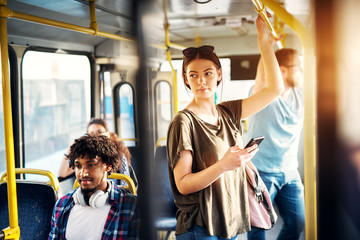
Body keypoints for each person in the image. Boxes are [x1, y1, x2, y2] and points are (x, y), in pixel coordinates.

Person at [166, 14, 284, 240]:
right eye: (194, 75)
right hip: (201, 225)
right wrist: (224, 165)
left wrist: (264, 43)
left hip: (230, 219)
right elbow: (183, 184)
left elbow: (274, 90)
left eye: (208, 73)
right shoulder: (184, 122)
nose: (201, 81)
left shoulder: (228, 111)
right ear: (186, 79)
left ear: (219, 74)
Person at [244, 48, 305, 240]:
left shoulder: (300, 94)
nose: (302, 72)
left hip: (290, 172)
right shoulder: (263, 94)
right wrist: (265, 43)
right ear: (283, 71)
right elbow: (263, 77)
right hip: (262, 172)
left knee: (297, 223)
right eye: (299, 68)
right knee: (258, 228)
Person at [48, 134, 139, 239]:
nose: (83, 173)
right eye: (78, 166)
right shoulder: (62, 205)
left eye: (91, 165)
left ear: (108, 166)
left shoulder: (131, 207)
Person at [58, 118, 138, 190]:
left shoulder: (119, 155)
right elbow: (63, 173)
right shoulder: (84, 156)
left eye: (100, 132)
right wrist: (71, 148)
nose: (96, 136)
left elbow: (126, 187)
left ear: (108, 134)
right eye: (92, 133)